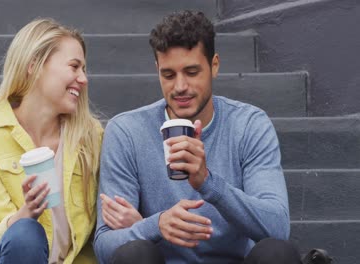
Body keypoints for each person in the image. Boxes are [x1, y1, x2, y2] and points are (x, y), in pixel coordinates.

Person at [94, 10, 301, 264]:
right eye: (168, 75)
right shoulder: (127, 131)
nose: (180, 86)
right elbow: (104, 247)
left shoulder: (248, 125)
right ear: (157, 69)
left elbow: (277, 227)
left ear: (214, 65)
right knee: (134, 254)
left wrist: (208, 183)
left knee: (277, 254)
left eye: (192, 72)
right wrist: (156, 225)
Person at [0, 18, 103, 264]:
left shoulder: (91, 136)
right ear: (34, 65)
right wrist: (26, 213)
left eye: (84, 69)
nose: (83, 79)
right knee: (25, 235)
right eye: (74, 67)